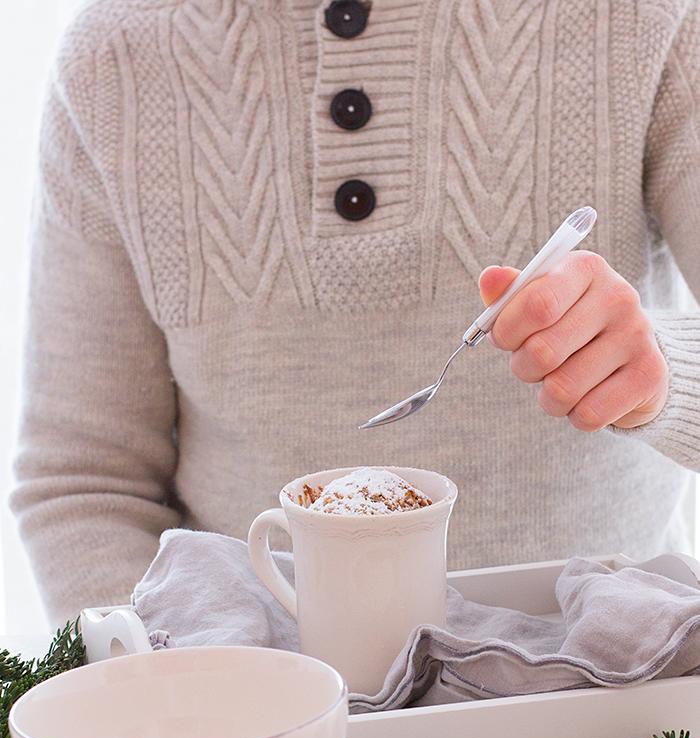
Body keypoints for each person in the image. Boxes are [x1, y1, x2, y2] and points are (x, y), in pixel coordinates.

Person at [10, 0, 700, 626]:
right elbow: (87, 482)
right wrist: (177, 696)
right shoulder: (115, 61)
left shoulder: (645, 18)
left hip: (609, 711)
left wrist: (662, 379)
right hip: (259, 732)